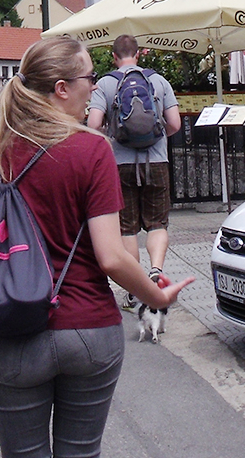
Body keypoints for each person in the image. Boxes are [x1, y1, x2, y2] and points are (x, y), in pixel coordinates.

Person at [0, 36, 191, 458]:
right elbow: (112, 256)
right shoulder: (91, 149)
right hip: (87, 328)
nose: (95, 86)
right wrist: (155, 295)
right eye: (89, 77)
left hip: (9, 332)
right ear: (62, 88)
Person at [85, 35, 182, 306]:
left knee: (126, 228)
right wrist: (159, 135)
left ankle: (133, 286)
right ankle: (156, 270)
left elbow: (93, 125)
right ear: (138, 54)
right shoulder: (158, 81)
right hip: (157, 160)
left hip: (120, 164)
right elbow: (174, 123)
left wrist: (112, 135)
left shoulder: (105, 83)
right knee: (157, 223)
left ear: (114, 57)